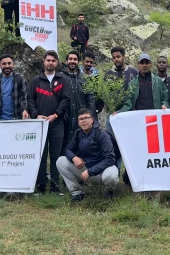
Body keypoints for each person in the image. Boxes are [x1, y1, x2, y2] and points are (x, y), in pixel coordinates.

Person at [28, 51, 70, 194]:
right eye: (48, 60)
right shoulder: (36, 80)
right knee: (41, 155)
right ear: (43, 62)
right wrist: (35, 115)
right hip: (40, 124)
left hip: (57, 123)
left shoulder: (63, 79)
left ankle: (55, 187)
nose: (50, 63)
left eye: (53, 60)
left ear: (57, 62)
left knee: (55, 156)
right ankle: (40, 187)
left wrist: (55, 115)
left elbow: (66, 100)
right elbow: (30, 100)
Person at [57, 108, 119, 202]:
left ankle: (109, 191)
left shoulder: (102, 134)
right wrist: (74, 158)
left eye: (86, 118)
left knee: (112, 175)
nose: (83, 121)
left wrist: (90, 172)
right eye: (81, 119)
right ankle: (77, 192)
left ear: (92, 120)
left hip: (102, 171)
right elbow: (68, 149)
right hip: (85, 170)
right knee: (61, 161)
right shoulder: (78, 134)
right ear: (78, 122)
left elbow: (110, 159)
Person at [61, 51, 95, 151]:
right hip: (64, 119)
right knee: (64, 149)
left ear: (78, 62)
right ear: (66, 61)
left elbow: (90, 99)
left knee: (82, 147)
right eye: (70, 59)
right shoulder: (60, 77)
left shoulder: (84, 78)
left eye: (75, 59)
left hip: (81, 118)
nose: (72, 61)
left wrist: (91, 117)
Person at [103, 46, 138, 134]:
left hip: (129, 114)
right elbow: (104, 93)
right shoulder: (109, 74)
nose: (116, 59)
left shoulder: (133, 72)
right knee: (112, 140)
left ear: (124, 57)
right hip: (112, 114)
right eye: (114, 58)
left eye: (118, 57)